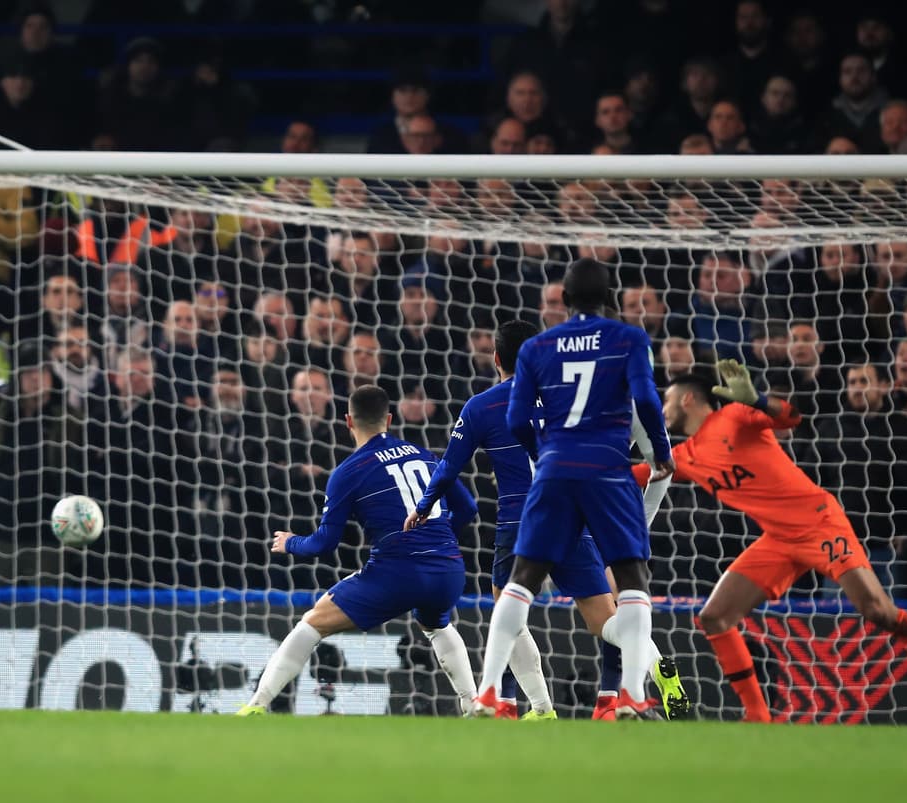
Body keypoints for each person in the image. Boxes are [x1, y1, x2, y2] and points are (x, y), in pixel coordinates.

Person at [660, 362, 907, 726]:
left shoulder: (735, 416)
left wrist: (758, 399)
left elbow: (791, 417)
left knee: (878, 611)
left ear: (688, 399)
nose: (662, 409)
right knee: (714, 616)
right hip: (779, 539)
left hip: (819, 524)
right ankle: (757, 716)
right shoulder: (684, 456)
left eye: (666, 400)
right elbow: (631, 475)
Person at [408, 319, 690, 720]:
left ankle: (536, 706)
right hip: (575, 515)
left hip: (521, 522)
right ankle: (653, 663)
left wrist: (423, 506)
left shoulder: (482, 406)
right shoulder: (568, 398)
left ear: (496, 358)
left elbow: (448, 468)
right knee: (604, 618)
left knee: (509, 610)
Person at [473, 259, 674, 719]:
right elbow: (646, 400)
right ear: (609, 298)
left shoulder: (537, 346)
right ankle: (630, 696)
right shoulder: (628, 339)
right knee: (630, 580)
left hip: (555, 468)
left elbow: (517, 418)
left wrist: (542, 454)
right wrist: (661, 453)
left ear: (563, 299)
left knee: (521, 580)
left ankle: (488, 692)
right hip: (607, 469)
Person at [237, 385, 480, 716]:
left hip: (397, 573)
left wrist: (290, 542)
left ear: (348, 421)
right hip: (449, 570)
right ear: (389, 419)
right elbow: (468, 508)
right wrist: (438, 541)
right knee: (436, 625)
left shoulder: (348, 471)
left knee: (312, 622)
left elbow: (324, 543)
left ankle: (256, 705)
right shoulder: (426, 456)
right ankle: (473, 704)